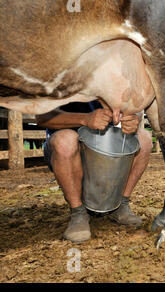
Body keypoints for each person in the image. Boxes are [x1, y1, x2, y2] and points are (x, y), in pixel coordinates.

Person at [36, 101, 153, 243]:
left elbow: (136, 108)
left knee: (144, 139)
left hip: (104, 145)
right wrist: (85, 119)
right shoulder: (60, 80)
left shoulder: (115, 81)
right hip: (69, 148)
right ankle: (78, 212)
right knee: (65, 140)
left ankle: (120, 204)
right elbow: (42, 117)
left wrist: (134, 119)